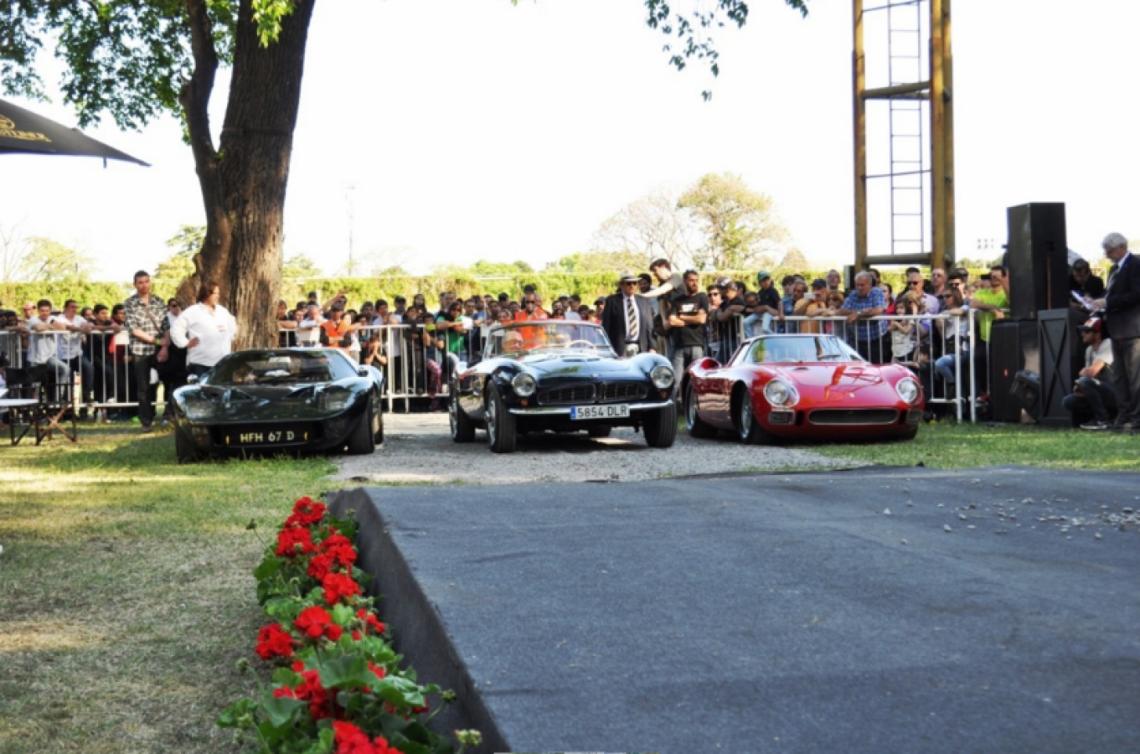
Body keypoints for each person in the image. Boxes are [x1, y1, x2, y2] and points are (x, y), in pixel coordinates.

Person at [1090, 232, 1140, 432]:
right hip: (1116, 330)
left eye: (1109, 250)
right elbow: (1112, 295)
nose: (1107, 254)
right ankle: (1124, 415)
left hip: (1133, 329)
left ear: (1121, 247)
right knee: (1120, 377)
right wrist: (1098, 303)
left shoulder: (1136, 265)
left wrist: (1109, 302)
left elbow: (1137, 294)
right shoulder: (1112, 270)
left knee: (1135, 376)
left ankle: (1137, 418)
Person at [124, 270, 169, 431]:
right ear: (135, 284)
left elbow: (166, 327)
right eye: (140, 282)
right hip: (140, 351)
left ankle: (167, 416)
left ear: (150, 282)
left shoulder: (159, 301)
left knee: (167, 382)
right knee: (143, 388)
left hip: (159, 351)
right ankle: (146, 421)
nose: (144, 285)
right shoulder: (129, 303)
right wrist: (157, 341)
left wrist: (164, 347)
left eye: (146, 281)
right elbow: (134, 329)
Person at [169, 280, 238, 377]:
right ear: (207, 293)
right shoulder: (193, 311)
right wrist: (185, 342)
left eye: (218, 293)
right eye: (215, 293)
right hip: (200, 364)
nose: (218, 296)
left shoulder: (222, 311)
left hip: (222, 363)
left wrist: (227, 337)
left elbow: (232, 325)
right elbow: (176, 328)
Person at [1062, 317, 1116, 430]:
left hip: (1115, 392)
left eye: (1087, 331)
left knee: (1085, 382)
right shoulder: (1089, 350)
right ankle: (1098, 418)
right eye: (1082, 331)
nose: (1083, 334)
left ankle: (1103, 420)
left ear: (1097, 334)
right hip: (1099, 388)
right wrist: (1081, 385)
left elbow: (1091, 372)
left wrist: (1084, 377)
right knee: (1068, 401)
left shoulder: (1108, 344)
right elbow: (1085, 377)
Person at [664, 269, 708, 394]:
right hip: (679, 346)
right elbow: (671, 321)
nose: (694, 283)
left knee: (696, 379)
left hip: (696, 345)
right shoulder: (677, 300)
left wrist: (682, 317)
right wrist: (692, 319)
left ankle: (695, 411)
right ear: (684, 281)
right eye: (691, 280)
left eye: (696, 280)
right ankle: (673, 409)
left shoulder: (702, 297)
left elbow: (701, 319)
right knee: (675, 380)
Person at [837, 271, 889, 363]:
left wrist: (859, 314)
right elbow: (842, 311)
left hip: (877, 339)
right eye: (857, 285)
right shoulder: (853, 294)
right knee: (858, 368)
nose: (859, 288)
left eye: (862, 285)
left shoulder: (876, 292)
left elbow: (878, 310)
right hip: (857, 340)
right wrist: (860, 312)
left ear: (869, 285)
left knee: (876, 367)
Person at [602, 271, 655, 356]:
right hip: (619, 347)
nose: (632, 286)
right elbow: (606, 325)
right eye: (628, 283)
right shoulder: (612, 301)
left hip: (641, 346)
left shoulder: (644, 301)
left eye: (634, 283)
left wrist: (652, 346)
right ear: (621, 285)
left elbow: (649, 325)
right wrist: (606, 346)